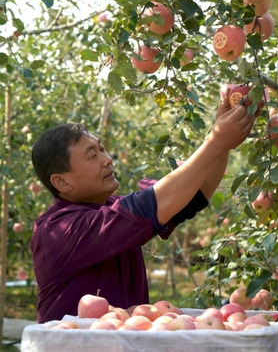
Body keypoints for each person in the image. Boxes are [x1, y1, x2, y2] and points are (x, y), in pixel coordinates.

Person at [30, 94, 254, 323]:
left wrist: (220, 139)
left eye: (102, 149)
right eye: (92, 155)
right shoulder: (57, 230)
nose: (107, 159)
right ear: (62, 182)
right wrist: (216, 141)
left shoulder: (107, 209)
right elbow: (149, 206)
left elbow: (194, 195)